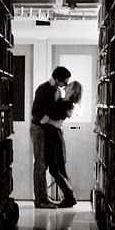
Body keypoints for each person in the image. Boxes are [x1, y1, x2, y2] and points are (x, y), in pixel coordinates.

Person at [30, 66, 71, 208]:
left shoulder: (56, 91)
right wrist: (43, 119)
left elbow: (55, 111)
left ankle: (43, 199)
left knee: (45, 164)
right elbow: (35, 112)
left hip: (47, 130)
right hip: (39, 129)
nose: (65, 85)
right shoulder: (43, 89)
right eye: (64, 82)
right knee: (40, 164)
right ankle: (41, 200)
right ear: (57, 78)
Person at [41, 80, 82, 209]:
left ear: (73, 91)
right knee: (59, 169)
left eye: (69, 86)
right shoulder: (66, 103)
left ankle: (70, 197)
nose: (66, 86)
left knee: (54, 169)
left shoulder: (65, 103)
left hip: (53, 136)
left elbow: (50, 117)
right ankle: (69, 197)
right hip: (56, 135)